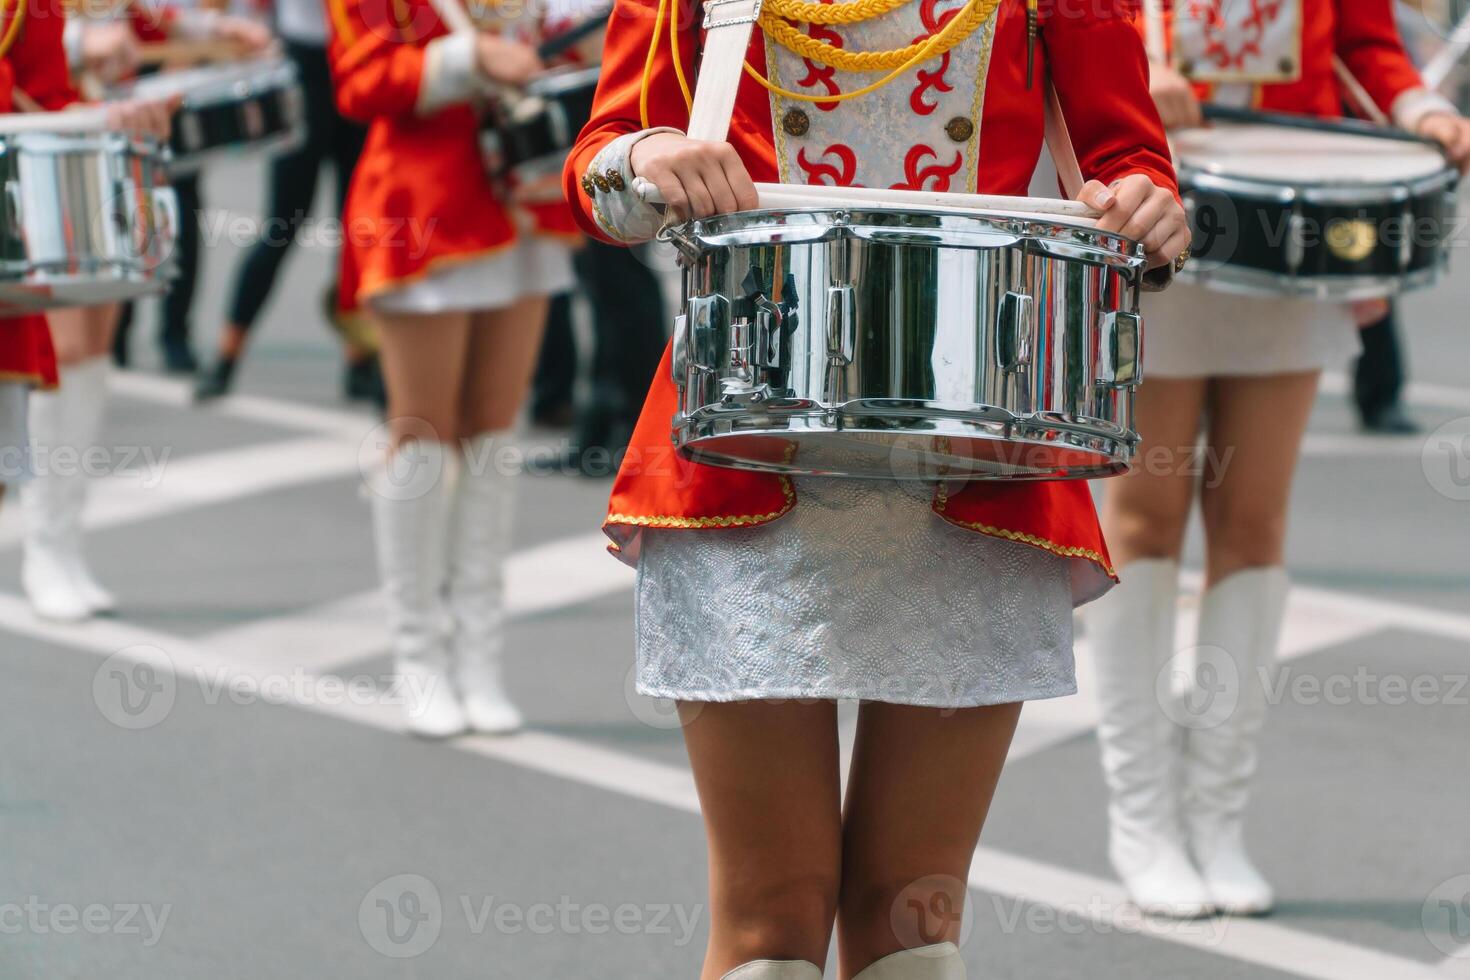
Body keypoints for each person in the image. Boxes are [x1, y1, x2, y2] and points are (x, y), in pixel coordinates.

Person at [565, 0, 1188, 975]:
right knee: (772, 917)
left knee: (915, 913)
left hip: (980, 446)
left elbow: (1130, 163)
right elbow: (601, 170)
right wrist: (645, 157)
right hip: (749, 448)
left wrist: (1150, 203)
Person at [1089, 0, 1470, 920]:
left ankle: (1217, 822)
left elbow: (1367, 45)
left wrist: (1419, 109)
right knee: (1142, 523)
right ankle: (1142, 821)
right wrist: (1140, 64)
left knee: (1254, 526)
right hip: (1157, 213)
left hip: (1293, 227)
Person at [327, 0, 581, 737]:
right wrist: (469, 61)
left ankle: (480, 657)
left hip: (525, 194)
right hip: (423, 204)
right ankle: (417, 657)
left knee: (491, 436)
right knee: (425, 434)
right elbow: (359, 84)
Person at [4, 0, 176, 621]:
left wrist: (108, 113)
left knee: (91, 345)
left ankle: (58, 540)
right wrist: (86, 44)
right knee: (65, 347)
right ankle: (46, 544)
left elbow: (48, 84)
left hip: (58, 148)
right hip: (27, 159)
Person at [193, 0, 375, 404]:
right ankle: (227, 355)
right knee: (283, 223)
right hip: (306, 64)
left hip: (363, 60)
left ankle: (361, 357)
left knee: (362, 227)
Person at [99, 0, 273, 373]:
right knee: (125, 202)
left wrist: (213, 35)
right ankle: (118, 330)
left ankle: (174, 331)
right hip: (124, 74)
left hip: (174, 73)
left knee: (183, 204)